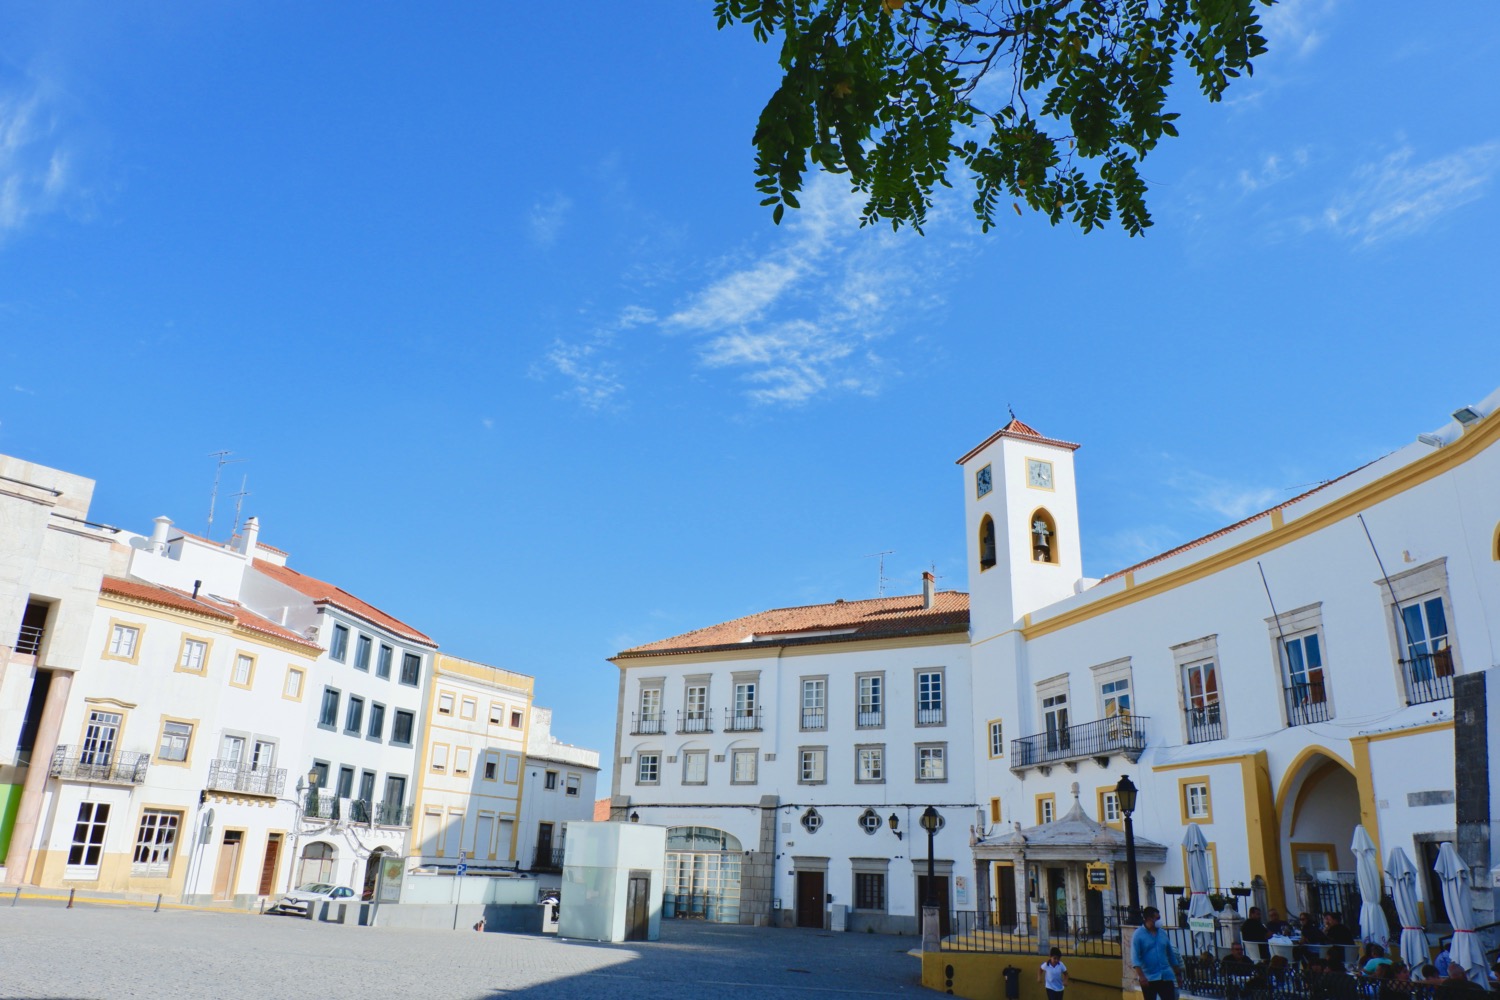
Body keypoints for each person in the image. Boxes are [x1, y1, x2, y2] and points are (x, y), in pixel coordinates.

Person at [1131, 906, 1185, 1000]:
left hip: (1166, 976)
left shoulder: (1162, 933)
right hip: (1149, 978)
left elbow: (1171, 955)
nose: (1159, 921)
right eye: (1157, 918)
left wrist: (1178, 975)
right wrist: (1141, 976)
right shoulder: (1138, 935)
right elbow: (1135, 958)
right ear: (1149, 919)